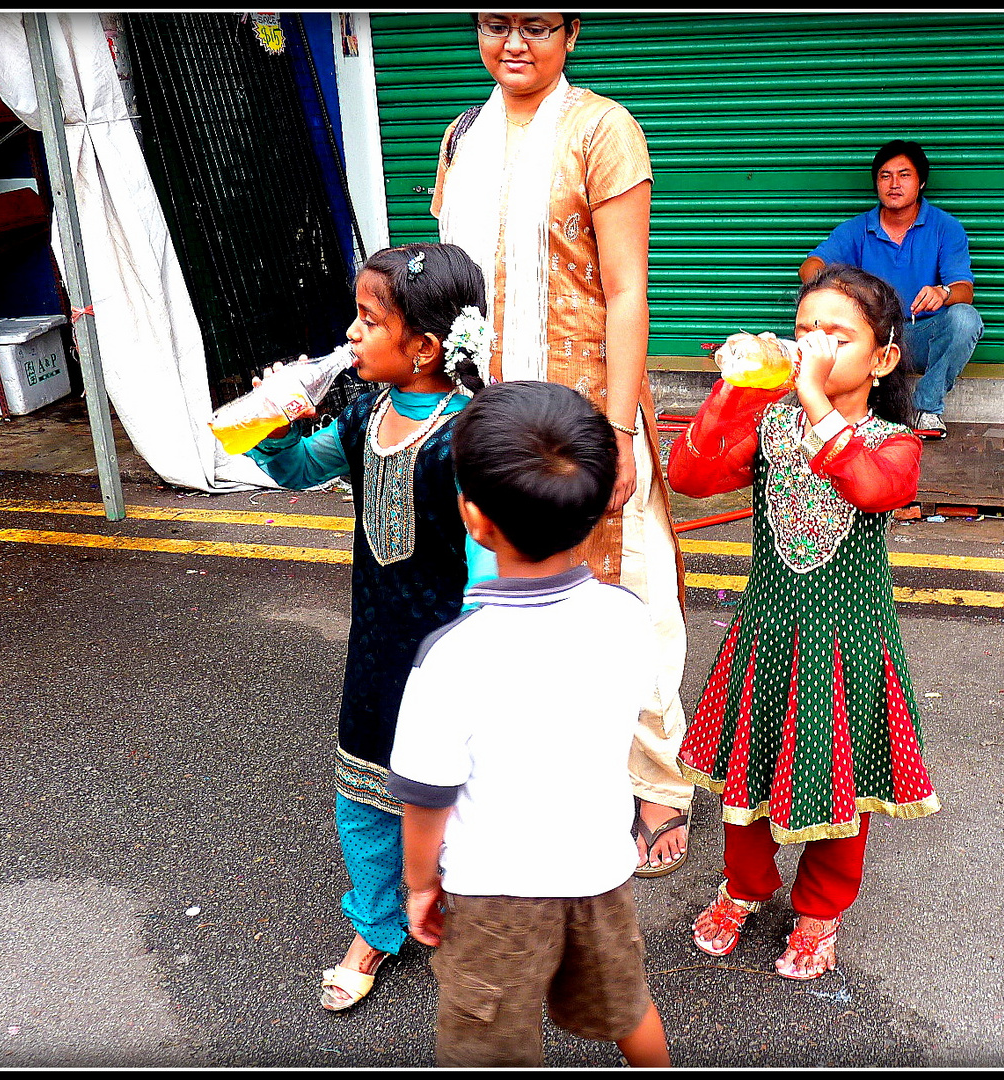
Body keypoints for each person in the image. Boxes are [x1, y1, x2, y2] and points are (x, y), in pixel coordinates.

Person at [431, 11, 693, 877]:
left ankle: (657, 779)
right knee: (519, 597)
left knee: (629, 595)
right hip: (493, 409)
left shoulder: (603, 130)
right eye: (496, 24)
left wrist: (618, 432)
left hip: (590, 407)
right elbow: (451, 284)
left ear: (572, 34)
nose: (514, 43)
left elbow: (626, 291)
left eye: (536, 26)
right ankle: (552, 774)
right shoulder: (461, 133)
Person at [668, 264, 941, 980]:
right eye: (805, 332)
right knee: (745, 780)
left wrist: (815, 399)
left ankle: (821, 910)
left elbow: (873, 489)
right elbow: (690, 476)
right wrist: (736, 389)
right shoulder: (772, 424)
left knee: (842, 785)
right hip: (767, 636)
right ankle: (745, 888)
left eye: (837, 335)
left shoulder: (894, 441)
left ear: (881, 360)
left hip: (848, 644)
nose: (815, 345)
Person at [388, 380, 670, 1068]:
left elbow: (426, 797)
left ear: (474, 518)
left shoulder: (452, 657)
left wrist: (421, 883)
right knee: (625, 1004)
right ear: (604, 502)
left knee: (489, 1045)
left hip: (494, 895)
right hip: (600, 872)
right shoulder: (628, 616)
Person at [244, 242, 493, 1012]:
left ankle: (473, 912)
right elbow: (294, 470)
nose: (351, 334)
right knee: (364, 792)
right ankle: (376, 927)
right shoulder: (363, 413)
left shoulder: (469, 438)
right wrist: (278, 423)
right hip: (376, 652)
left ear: (423, 348)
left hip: (453, 663)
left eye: (368, 319)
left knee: (459, 798)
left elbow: (489, 573)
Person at [800, 138, 983, 441]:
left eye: (904, 175)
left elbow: (964, 289)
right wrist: (838, 285)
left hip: (923, 335)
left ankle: (925, 407)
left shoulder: (945, 227)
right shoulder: (856, 229)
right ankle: (845, 412)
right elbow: (809, 268)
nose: (894, 183)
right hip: (874, 339)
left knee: (965, 318)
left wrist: (943, 293)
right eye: (885, 175)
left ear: (921, 182)